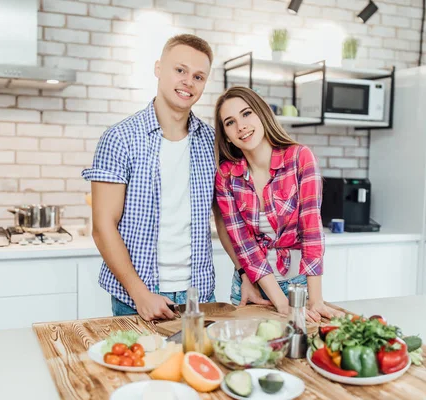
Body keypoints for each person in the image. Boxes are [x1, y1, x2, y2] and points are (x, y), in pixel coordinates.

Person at [82, 34, 216, 321]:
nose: (188, 82)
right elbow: (103, 226)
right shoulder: (120, 138)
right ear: (158, 68)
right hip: (137, 298)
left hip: (200, 295)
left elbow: (226, 219)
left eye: (198, 76)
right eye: (180, 70)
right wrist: (140, 293)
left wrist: (245, 272)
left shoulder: (211, 142)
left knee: (198, 366)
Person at [213, 86, 343, 322]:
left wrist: (315, 300)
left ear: (262, 114)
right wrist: (282, 305)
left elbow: (311, 231)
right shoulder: (226, 175)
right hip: (254, 288)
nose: (241, 126)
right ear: (226, 134)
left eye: (246, 113)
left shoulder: (300, 158)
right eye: (230, 122)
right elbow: (244, 245)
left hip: (300, 288)